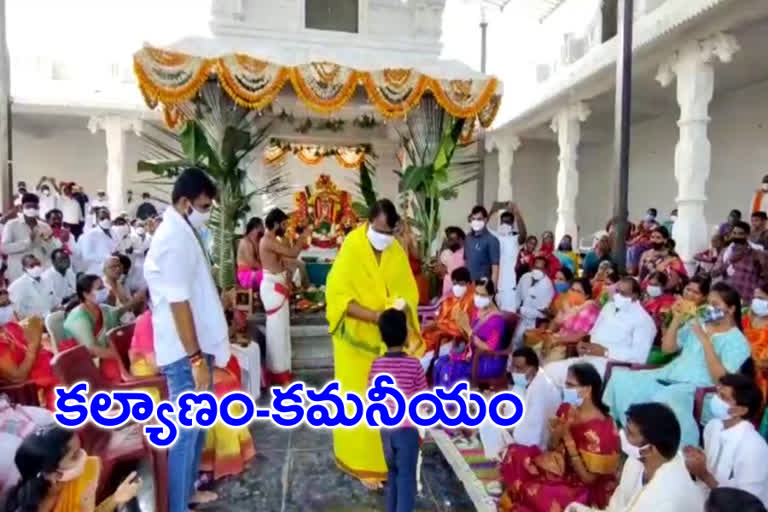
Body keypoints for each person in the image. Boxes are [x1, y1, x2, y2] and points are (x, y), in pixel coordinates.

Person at [143, 167, 229, 512]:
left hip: (195, 346)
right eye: (204, 205)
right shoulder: (173, 239)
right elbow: (178, 303)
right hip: (184, 353)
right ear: (183, 203)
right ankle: (176, 504)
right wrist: (195, 360)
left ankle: (188, 491)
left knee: (196, 426)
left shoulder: (184, 232)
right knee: (184, 430)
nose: (207, 212)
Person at [325, 198, 423, 488]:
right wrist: (375, 315)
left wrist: (399, 308)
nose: (382, 237)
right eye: (377, 230)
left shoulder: (395, 250)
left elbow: (409, 292)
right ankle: (358, 461)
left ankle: (384, 462)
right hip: (355, 345)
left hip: (387, 345)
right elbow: (338, 297)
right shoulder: (353, 247)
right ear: (368, 224)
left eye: (388, 232)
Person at [604, 281, 751, 448]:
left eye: (715, 305)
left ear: (731, 309)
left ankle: (677, 452)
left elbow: (721, 379)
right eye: (708, 303)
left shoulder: (738, 342)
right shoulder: (699, 321)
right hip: (671, 374)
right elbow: (667, 349)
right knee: (621, 379)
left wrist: (705, 341)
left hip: (698, 388)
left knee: (667, 398)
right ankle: (632, 436)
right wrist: (676, 319)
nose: (709, 308)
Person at [129, 300, 256, 481]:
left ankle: (231, 452)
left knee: (227, 381)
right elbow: (154, 363)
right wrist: (191, 366)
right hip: (151, 379)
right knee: (217, 392)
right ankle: (214, 458)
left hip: (174, 368)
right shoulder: (146, 321)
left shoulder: (173, 317)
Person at [499, 363, 620, 511]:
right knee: (515, 453)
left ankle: (522, 496)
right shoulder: (567, 408)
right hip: (559, 466)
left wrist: (568, 439)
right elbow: (551, 447)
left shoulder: (602, 428)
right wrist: (557, 433)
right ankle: (520, 493)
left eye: (570, 385)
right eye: (565, 384)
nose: (565, 389)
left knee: (540, 493)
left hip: (583, 486)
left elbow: (590, 479)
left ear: (588, 389)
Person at [566, 402, 704, 512]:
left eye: (630, 433)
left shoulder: (667, 496)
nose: (621, 435)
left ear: (650, 449)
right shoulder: (635, 462)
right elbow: (616, 509)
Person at [368, 309, 428, 512]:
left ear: (382, 336)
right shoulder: (414, 364)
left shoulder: (376, 365)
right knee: (406, 481)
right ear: (405, 335)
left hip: (385, 431)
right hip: (407, 431)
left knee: (392, 475)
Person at [4, 425, 141, 512]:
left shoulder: (76, 479)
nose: (84, 457)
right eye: (75, 456)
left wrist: (115, 499)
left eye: (80, 449)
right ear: (52, 475)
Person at [684, 373, 768, 507]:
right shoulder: (713, 426)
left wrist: (704, 475)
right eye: (717, 393)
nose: (715, 399)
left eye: (722, 397)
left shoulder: (754, 447)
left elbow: (746, 506)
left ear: (740, 410)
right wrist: (697, 459)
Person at [259, 208, 313, 385]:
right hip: (272, 288)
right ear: (274, 224)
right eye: (282, 224)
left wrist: (297, 234)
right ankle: (278, 375)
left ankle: (283, 373)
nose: (284, 227)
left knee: (282, 332)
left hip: (278, 286)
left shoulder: (274, 239)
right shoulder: (267, 240)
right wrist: (304, 234)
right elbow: (292, 253)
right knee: (277, 333)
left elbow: (286, 256)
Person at [433, 278, 506, 388]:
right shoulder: (477, 311)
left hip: (487, 360)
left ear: (491, 297)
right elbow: (468, 334)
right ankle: (438, 400)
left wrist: (468, 330)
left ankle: (452, 403)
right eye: (477, 293)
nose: (478, 297)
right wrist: (461, 326)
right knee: (440, 363)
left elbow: (489, 348)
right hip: (471, 355)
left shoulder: (496, 320)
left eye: (483, 295)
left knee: (449, 369)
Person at [0, 289, 58, 408]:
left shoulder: (9, 327)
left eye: (8, 303)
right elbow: (17, 377)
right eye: (2, 305)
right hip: (38, 387)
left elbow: (38, 345)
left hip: (54, 371)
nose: (7, 308)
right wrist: (33, 346)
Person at [60, 274, 122, 381]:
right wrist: (121, 355)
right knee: (119, 368)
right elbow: (92, 349)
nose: (104, 290)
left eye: (103, 286)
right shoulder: (78, 317)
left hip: (105, 356)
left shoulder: (103, 309)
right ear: (86, 294)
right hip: (85, 363)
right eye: (99, 288)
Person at [506, 347, 562, 449]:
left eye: (519, 368)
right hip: (518, 431)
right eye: (514, 367)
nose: (515, 371)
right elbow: (509, 412)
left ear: (531, 368)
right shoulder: (524, 381)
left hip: (534, 445)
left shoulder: (541, 389)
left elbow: (534, 430)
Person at [420, 267, 475, 369]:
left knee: (425, 359)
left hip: (458, 342)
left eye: (461, 283)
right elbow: (440, 319)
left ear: (468, 283)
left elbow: (462, 329)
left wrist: (440, 326)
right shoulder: (451, 299)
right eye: (455, 283)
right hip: (442, 336)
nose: (457, 286)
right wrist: (435, 326)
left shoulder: (471, 301)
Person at [1, 193, 58, 281]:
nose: (32, 209)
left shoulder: (45, 226)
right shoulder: (11, 225)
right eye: (28, 206)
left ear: (38, 208)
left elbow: (50, 251)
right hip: (18, 271)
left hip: (40, 270)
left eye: (35, 207)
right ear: (21, 207)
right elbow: (4, 248)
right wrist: (28, 241)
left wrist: (48, 241)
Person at [712, 220, 768, 303]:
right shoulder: (725, 251)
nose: (736, 236)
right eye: (734, 233)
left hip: (747, 297)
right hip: (727, 296)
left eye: (740, 234)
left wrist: (755, 288)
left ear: (747, 235)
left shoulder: (756, 253)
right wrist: (729, 262)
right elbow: (714, 273)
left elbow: (765, 277)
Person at [513, 256, 555, 347]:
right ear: (532, 267)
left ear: (545, 270)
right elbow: (517, 295)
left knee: (527, 346)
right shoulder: (525, 277)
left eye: (540, 268)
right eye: (535, 267)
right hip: (519, 319)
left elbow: (543, 313)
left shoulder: (547, 286)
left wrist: (522, 310)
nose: (537, 270)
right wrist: (515, 309)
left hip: (534, 323)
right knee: (513, 342)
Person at [493, 203, 527, 313]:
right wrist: (492, 211)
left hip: (510, 287)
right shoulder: (496, 237)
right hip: (496, 285)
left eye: (508, 222)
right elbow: (482, 228)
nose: (505, 224)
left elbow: (523, 234)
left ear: (512, 224)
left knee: (509, 317)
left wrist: (517, 214)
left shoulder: (515, 239)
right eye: (503, 221)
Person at [8, 254, 58, 319]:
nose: (36, 267)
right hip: (34, 323)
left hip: (52, 317)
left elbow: (54, 300)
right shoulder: (17, 285)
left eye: (38, 264)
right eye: (32, 266)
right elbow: (17, 312)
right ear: (24, 269)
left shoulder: (47, 278)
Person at [743, 284, 768, 402]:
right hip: (734, 373)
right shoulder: (745, 319)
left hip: (758, 382)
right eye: (755, 297)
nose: (756, 301)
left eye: (762, 298)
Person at [464, 206, 500, 283]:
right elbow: (465, 261)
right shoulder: (468, 238)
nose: (476, 221)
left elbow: (495, 269)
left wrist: (492, 289)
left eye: (479, 219)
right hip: (468, 284)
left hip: (483, 286)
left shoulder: (492, 240)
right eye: (473, 219)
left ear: (485, 219)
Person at [77, 208, 117, 276]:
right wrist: (107, 257)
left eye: (108, 217)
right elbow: (87, 255)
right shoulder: (91, 234)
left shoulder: (113, 232)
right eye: (102, 218)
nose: (106, 220)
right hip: (96, 271)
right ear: (97, 219)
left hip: (112, 269)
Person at [437, 226, 467, 298]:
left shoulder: (467, 253)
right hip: (448, 288)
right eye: (448, 239)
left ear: (460, 239)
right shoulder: (448, 252)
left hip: (461, 288)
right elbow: (440, 271)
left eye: (451, 239)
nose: (449, 242)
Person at [236, 217, 264, 291]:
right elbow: (252, 263)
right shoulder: (245, 242)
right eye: (262, 227)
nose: (263, 230)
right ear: (256, 228)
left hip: (255, 272)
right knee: (269, 276)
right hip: (245, 276)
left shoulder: (257, 241)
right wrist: (267, 269)